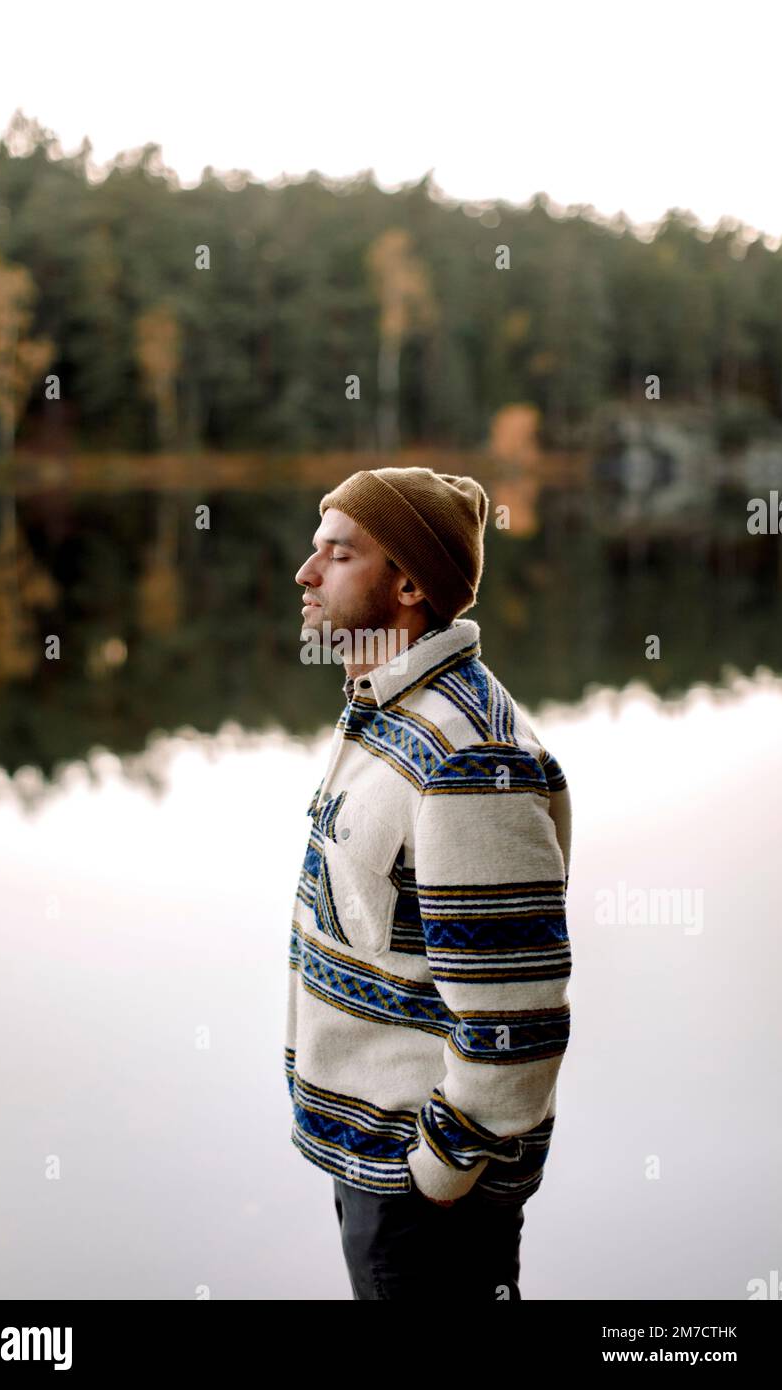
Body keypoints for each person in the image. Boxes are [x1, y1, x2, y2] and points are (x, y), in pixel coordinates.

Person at [285, 466, 572, 1300]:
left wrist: (435, 1175)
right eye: (315, 552)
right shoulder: (390, 714)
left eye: (337, 556)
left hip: (429, 1201)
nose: (306, 575)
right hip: (379, 1167)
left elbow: (516, 1021)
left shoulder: (469, 759)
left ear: (410, 584)